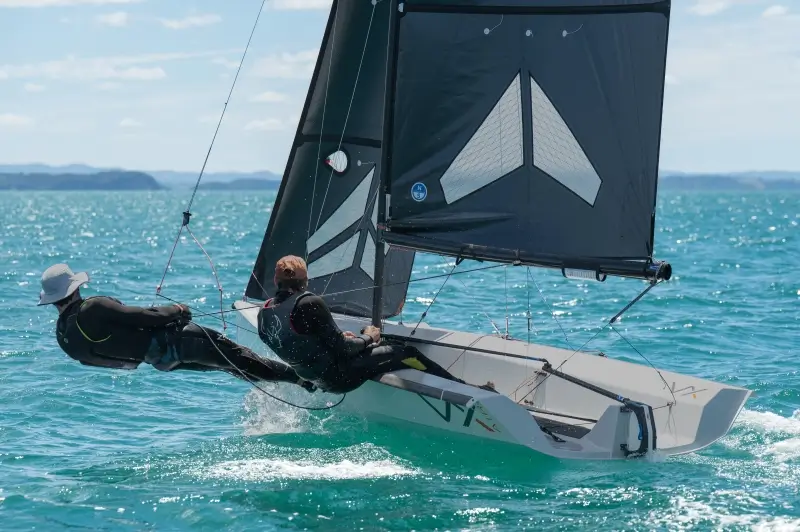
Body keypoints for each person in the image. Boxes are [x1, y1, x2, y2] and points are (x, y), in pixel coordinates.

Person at [38, 263, 316, 391]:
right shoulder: (92, 307)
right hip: (181, 342)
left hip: (163, 362)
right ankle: (306, 380)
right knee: (239, 358)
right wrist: (178, 310)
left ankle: (295, 385)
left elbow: (121, 364)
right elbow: (144, 317)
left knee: (231, 366)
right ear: (75, 288)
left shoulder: (64, 337)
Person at [257, 255, 494, 395]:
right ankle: (466, 389)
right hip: (340, 378)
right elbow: (344, 349)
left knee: (380, 347)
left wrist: (343, 341)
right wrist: (369, 336)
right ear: (305, 280)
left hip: (314, 377)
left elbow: (298, 343)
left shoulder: (264, 312)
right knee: (407, 353)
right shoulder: (309, 302)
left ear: (276, 280)